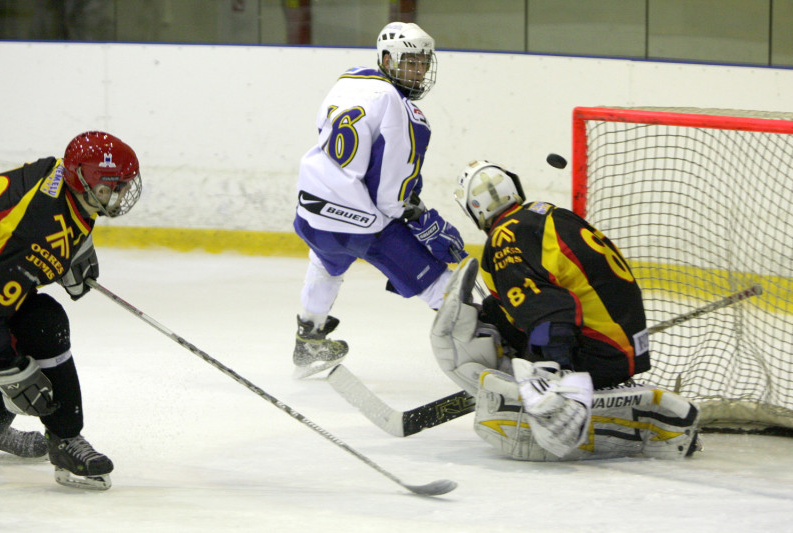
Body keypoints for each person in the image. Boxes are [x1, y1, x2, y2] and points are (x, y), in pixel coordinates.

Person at [430, 160, 700, 461]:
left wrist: (556, 375)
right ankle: (550, 371)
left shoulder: (504, 239)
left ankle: (567, 391)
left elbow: (550, 308)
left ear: (475, 210)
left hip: (598, 350)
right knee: (495, 310)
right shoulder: (541, 215)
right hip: (618, 341)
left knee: (472, 331)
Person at [292, 21, 466, 378]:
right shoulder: (404, 110)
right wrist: (418, 218)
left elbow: (324, 131)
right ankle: (491, 357)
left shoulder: (349, 80)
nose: (418, 72)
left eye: (422, 63)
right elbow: (390, 199)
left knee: (325, 264)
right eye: (410, 62)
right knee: (437, 284)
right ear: (387, 59)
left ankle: (308, 342)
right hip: (360, 226)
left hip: (310, 210)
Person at [0, 131, 142, 489]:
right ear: (84, 182)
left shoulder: (61, 182)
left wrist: (76, 244)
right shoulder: (33, 231)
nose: (119, 195)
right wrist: (8, 370)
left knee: (38, 319)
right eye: (111, 188)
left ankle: (37, 436)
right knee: (36, 330)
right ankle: (57, 437)